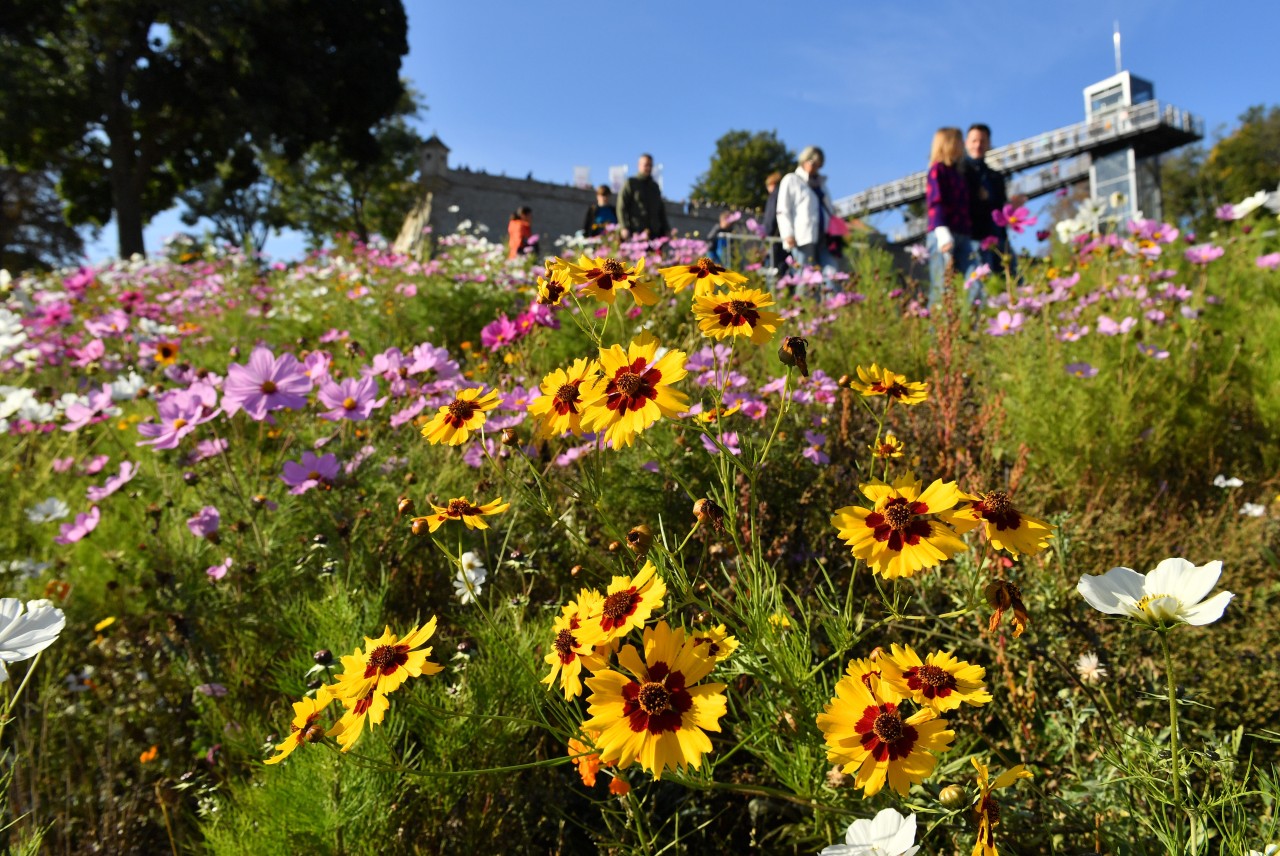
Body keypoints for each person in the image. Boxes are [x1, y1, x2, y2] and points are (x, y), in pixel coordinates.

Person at [958, 123, 1026, 279]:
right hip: (976, 238)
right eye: (974, 140)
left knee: (1013, 279)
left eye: (983, 141)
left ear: (988, 144)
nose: (978, 145)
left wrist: (1012, 207)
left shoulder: (995, 176)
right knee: (982, 284)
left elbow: (999, 208)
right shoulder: (960, 172)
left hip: (1000, 237)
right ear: (966, 143)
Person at [925, 128, 973, 309]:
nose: (963, 146)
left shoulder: (958, 174)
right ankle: (936, 334)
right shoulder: (937, 170)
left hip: (963, 233)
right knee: (942, 287)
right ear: (949, 144)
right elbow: (935, 201)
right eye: (960, 142)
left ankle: (966, 324)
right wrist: (942, 231)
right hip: (943, 233)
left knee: (972, 280)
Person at [776, 146, 838, 288]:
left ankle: (834, 306)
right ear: (804, 160)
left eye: (818, 165)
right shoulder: (791, 180)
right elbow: (783, 209)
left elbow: (830, 210)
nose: (815, 167)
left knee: (832, 273)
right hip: (803, 237)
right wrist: (788, 234)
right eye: (813, 163)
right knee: (805, 275)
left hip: (826, 236)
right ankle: (804, 307)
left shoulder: (822, 185)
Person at [618, 154, 671, 239]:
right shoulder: (631, 183)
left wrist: (667, 229)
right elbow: (621, 206)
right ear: (639, 165)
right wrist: (624, 227)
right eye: (646, 165)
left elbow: (661, 210)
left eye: (650, 165)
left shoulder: (655, 187)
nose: (648, 168)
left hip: (654, 233)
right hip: (636, 232)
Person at [760, 171, 788, 272]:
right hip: (785, 236)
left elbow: (770, 218)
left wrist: (766, 235)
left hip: (774, 237)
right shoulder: (785, 194)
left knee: (774, 267)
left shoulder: (774, 196)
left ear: (771, 184)